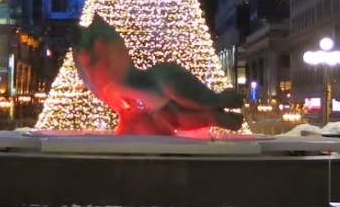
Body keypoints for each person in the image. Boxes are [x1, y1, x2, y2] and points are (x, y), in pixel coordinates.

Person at [70, 15, 243, 135]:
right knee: (171, 113)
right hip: (152, 110)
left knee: (179, 95)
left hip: (158, 90)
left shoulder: (150, 79)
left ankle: (218, 102)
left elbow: (152, 95)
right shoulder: (115, 93)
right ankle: (215, 114)